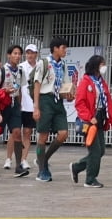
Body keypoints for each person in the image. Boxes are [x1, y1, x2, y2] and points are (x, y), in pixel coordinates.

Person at [70, 54, 112, 188]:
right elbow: (80, 103)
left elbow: (108, 101)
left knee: (101, 150)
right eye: (102, 64)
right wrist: (88, 117)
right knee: (95, 151)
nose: (104, 67)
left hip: (100, 118)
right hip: (89, 121)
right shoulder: (86, 81)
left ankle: (77, 167)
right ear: (96, 66)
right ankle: (90, 179)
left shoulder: (101, 82)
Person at [32, 37, 73, 181]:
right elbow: (37, 84)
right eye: (63, 48)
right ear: (55, 48)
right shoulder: (44, 63)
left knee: (63, 134)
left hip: (58, 101)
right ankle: (42, 170)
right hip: (45, 100)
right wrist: (36, 107)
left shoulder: (63, 65)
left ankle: (43, 159)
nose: (65, 50)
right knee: (43, 136)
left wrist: (69, 95)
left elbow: (65, 84)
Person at [0, 45, 24, 170]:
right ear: (9, 55)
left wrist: (19, 104)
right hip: (2, 104)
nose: (17, 56)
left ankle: (18, 166)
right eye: (15, 53)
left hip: (14, 105)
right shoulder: (1, 71)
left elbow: (20, 89)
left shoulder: (20, 71)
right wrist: (4, 91)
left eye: (19, 54)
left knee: (17, 132)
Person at [14, 43, 39, 177]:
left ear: (36, 54)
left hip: (32, 105)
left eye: (32, 52)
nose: (30, 55)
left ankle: (24, 159)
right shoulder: (21, 67)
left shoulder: (40, 66)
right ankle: (12, 159)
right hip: (21, 104)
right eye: (28, 52)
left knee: (28, 132)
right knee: (17, 132)